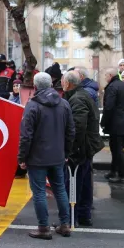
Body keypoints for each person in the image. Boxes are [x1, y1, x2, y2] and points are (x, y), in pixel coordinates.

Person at [18, 72, 75, 239]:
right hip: (57, 156)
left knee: (39, 192)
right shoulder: (64, 104)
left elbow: (26, 135)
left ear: (35, 87)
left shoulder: (32, 105)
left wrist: (22, 157)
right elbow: (71, 131)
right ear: (51, 84)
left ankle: (43, 228)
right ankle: (65, 225)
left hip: (37, 158)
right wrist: (66, 152)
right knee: (60, 189)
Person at [63, 70, 103, 227]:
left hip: (81, 148)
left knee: (74, 183)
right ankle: (84, 216)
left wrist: (71, 150)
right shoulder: (81, 95)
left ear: (68, 83)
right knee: (85, 182)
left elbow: (78, 127)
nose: (62, 84)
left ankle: (71, 218)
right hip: (87, 146)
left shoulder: (78, 98)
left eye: (63, 81)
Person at [100, 67, 124, 183]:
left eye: (106, 75)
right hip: (122, 121)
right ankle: (113, 171)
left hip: (115, 123)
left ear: (110, 75)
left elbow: (109, 107)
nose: (105, 77)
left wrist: (103, 122)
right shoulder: (122, 85)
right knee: (117, 148)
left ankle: (120, 173)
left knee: (117, 150)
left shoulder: (112, 87)